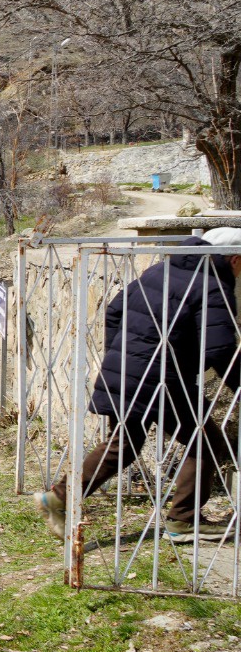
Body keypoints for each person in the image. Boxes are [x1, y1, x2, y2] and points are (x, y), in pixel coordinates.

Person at [36, 229, 241, 544]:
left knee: (123, 444)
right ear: (234, 260)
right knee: (204, 440)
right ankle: (182, 520)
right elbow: (220, 348)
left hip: (130, 371)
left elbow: (114, 310)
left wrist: (121, 356)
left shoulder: (160, 270)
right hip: (163, 379)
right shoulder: (212, 285)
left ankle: (58, 497)